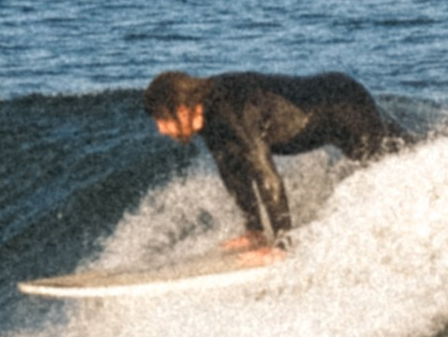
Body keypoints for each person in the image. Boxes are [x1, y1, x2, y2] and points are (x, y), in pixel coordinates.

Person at [144, 68, 407, 249]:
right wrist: (255, 231)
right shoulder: (209, 118)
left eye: (162, 120)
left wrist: (282, 243)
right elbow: (234, 172)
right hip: (326, 105)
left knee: (388, 166)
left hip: (343, 104)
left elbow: (265, 173)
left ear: (181, 109)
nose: (161, 129)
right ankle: (256, 233)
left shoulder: (231, 108)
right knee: (231, 161)